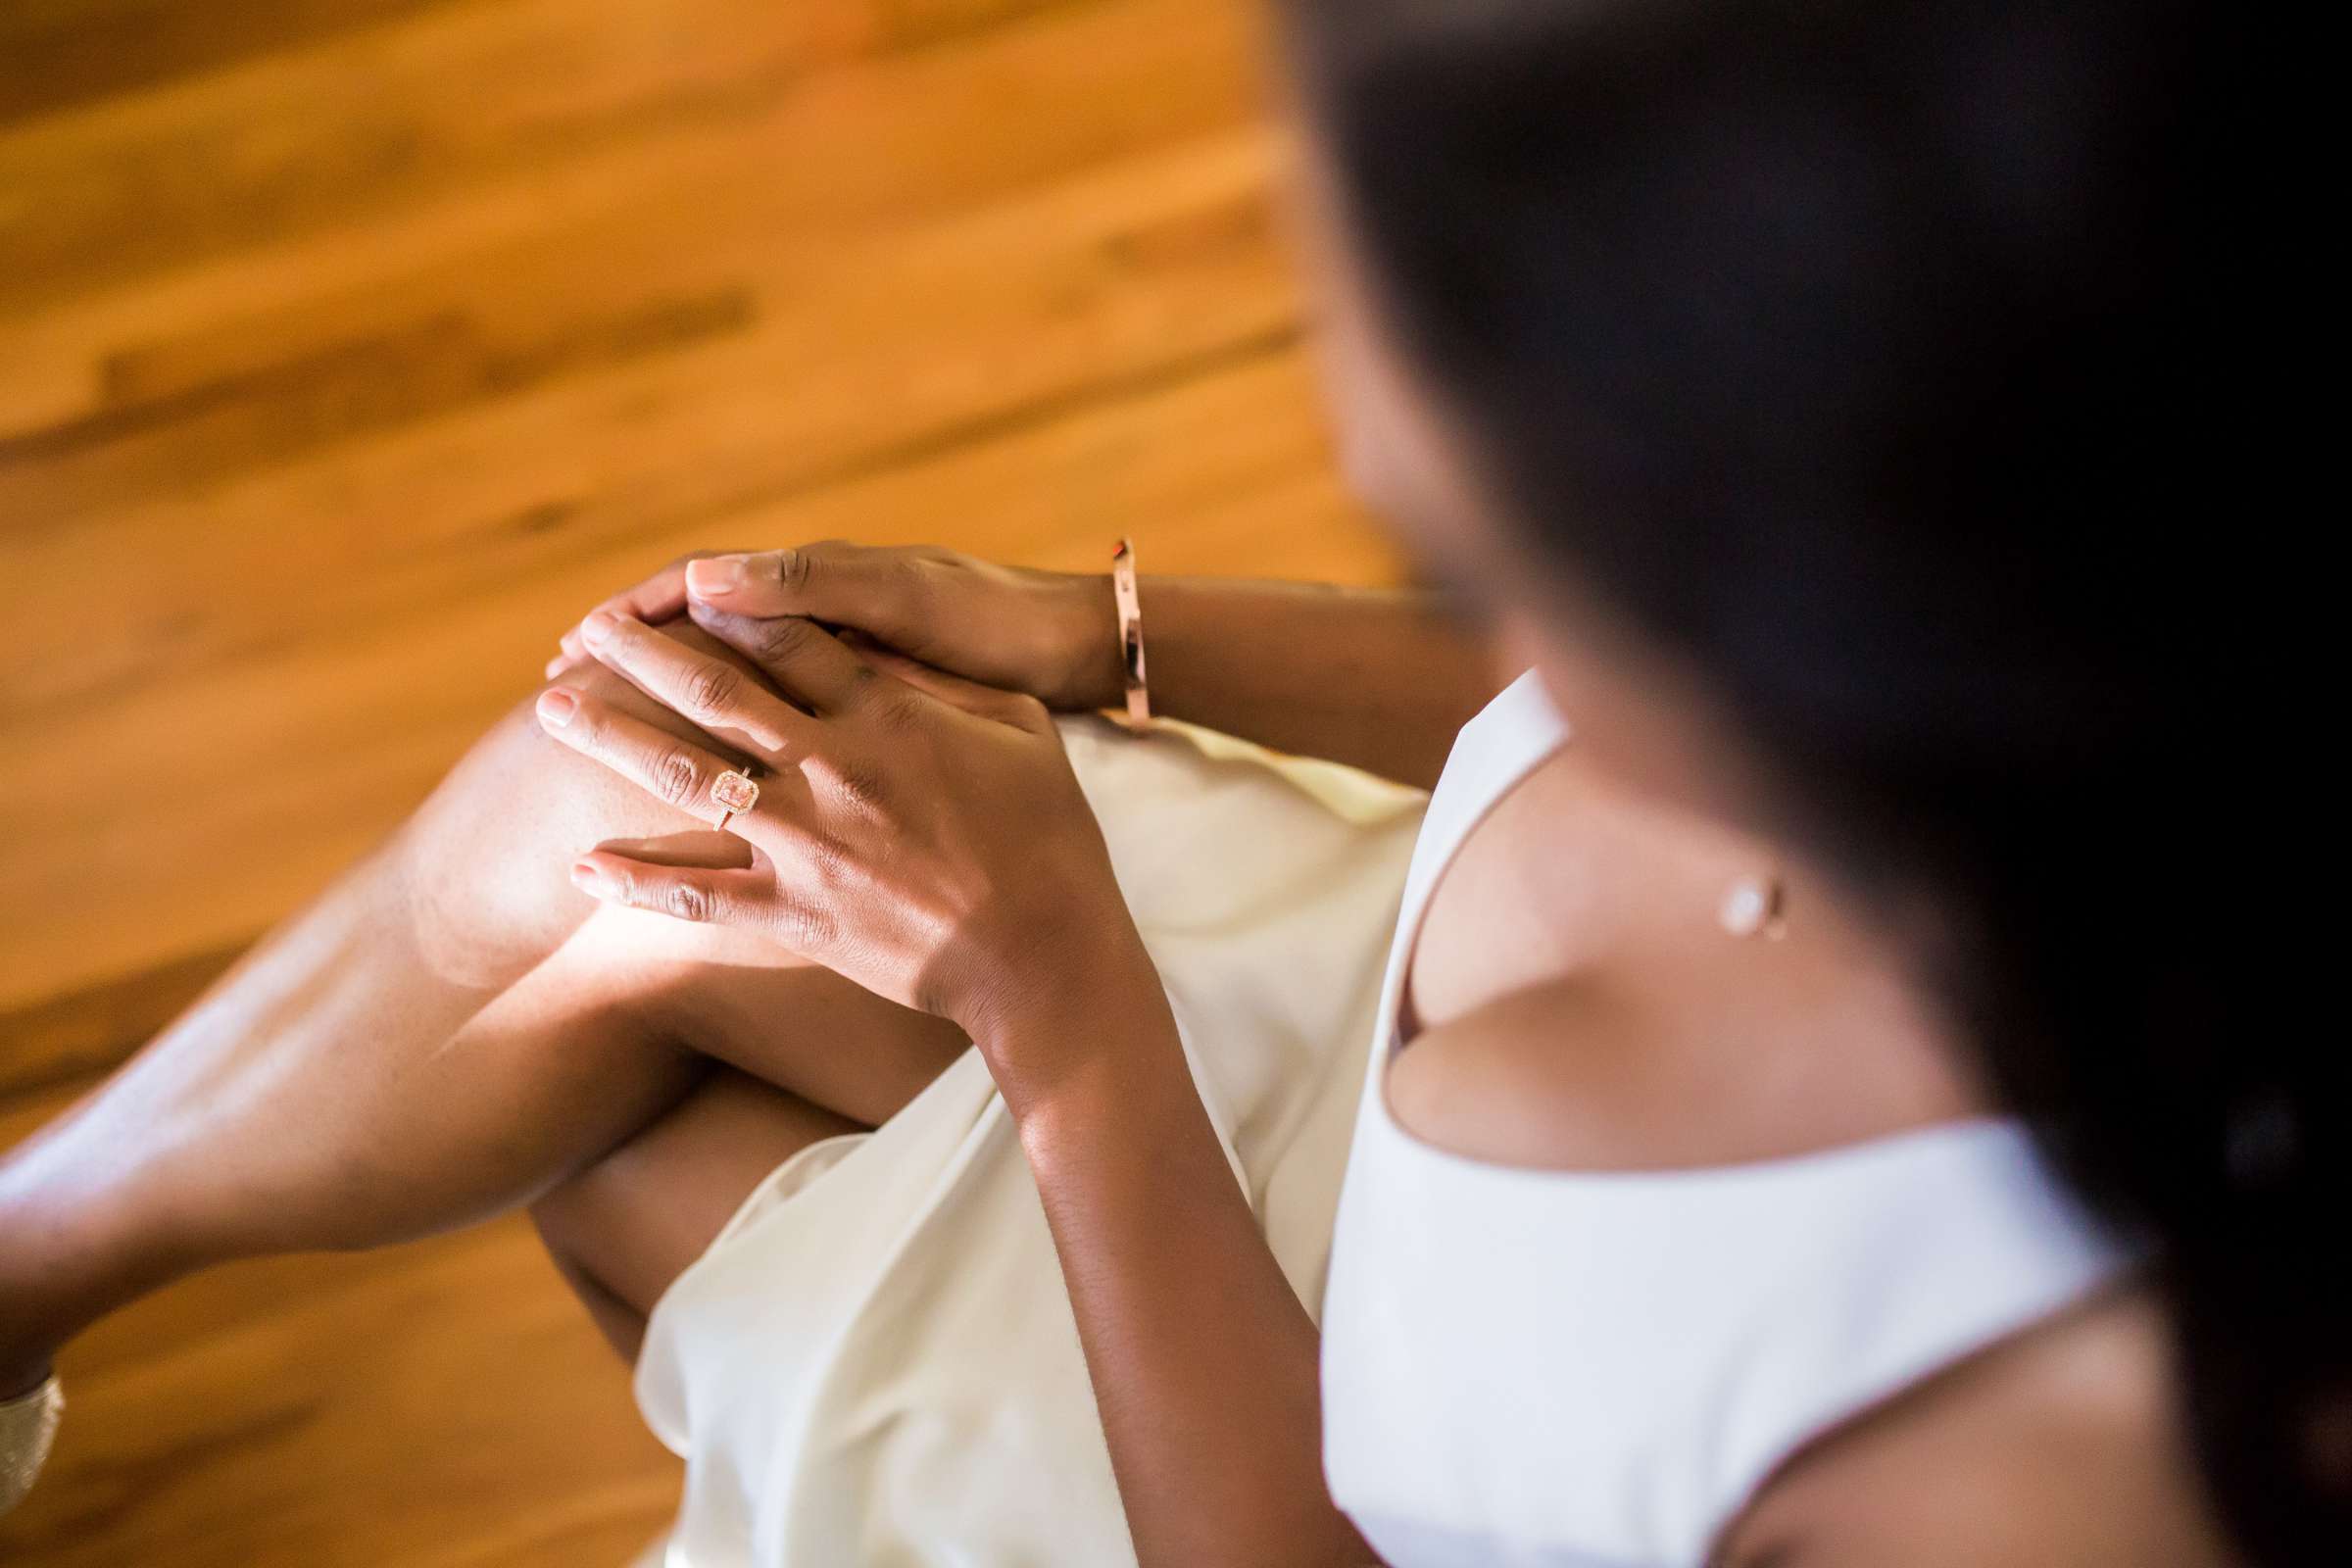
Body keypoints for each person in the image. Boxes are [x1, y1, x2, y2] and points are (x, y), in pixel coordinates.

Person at [6, 2, 2331, 1565]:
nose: (1496, 627)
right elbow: (1515, 699)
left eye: (1482, 543)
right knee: (689, 773)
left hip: (1325, 1476)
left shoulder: (2038, 1478)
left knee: (645, 1146)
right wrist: (1098, 633)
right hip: (1366, 1051)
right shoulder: (2045, 580)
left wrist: (1061, 1005)